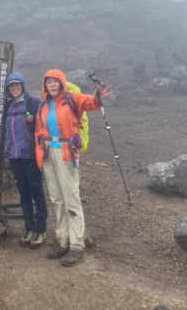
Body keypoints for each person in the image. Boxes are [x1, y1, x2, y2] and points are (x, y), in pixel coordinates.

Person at [35, 69, 113, 266]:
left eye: (55, 81)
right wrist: (40, 156)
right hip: (48, 154)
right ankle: (63, 242)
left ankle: (77, 247)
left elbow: (90, 103)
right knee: (57, 199)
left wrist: (98, 97)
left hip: (65, 153)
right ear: (45, 86)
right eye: (48, 82)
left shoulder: (71, 99)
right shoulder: (44, 106)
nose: (52, 85)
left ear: (62, 83)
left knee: (71, 199)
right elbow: (39, 131)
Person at [4, 72, 48, 249]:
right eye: (11, 86)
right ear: (8, 89)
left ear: (23, 85)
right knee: (24, 194)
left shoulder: (33, 103)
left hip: (31, 155)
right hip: (14, 155)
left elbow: (44, 126)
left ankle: (41, 230)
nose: (15, 88)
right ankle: (29, 229)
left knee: (37, 193)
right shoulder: (8, 107)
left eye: (17, 85)